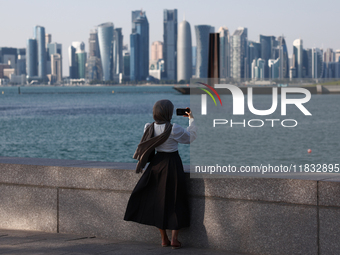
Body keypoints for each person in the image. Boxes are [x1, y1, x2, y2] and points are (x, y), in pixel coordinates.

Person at [124, 99, 197, 249]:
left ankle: (164, 238)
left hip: (156, 165)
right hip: (172, 164)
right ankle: (175, 239)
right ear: (169, 113)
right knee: (176, 200)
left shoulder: (148, 127)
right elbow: (191, 138)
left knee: (157, 201)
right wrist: (192, 120)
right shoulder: (174, 128)